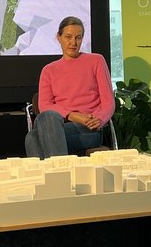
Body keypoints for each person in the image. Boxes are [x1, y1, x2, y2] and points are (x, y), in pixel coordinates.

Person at [25, 16, 115, 159]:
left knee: (33, 138)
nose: (73, 43)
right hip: (60, 124)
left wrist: (98, 119)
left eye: (78, 38)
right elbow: (45, 105)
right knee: (47, 119)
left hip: (88, 128)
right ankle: (61, 173)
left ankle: (55, 177)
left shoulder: (96, 61)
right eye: (68, 37)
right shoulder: (49, 70)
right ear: (58, 37)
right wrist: (72, 115)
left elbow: (108, 102)